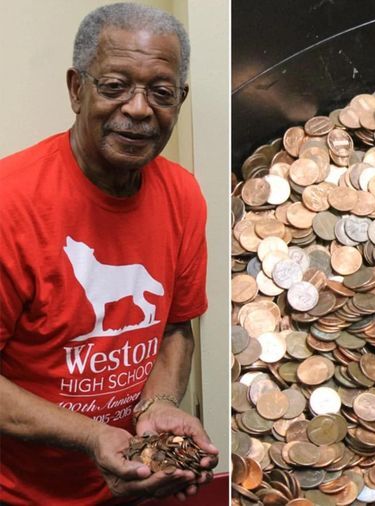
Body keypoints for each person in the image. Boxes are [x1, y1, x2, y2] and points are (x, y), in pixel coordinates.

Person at [0, 3, 219, 504]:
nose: (139, 108)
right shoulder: (10, 204)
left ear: (179, 101)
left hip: (135, 485)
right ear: (77, 90)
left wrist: (159, 404)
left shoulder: (183, 195)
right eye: (115, 86)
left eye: (160, 93)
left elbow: (176, 325)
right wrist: (90, 435)